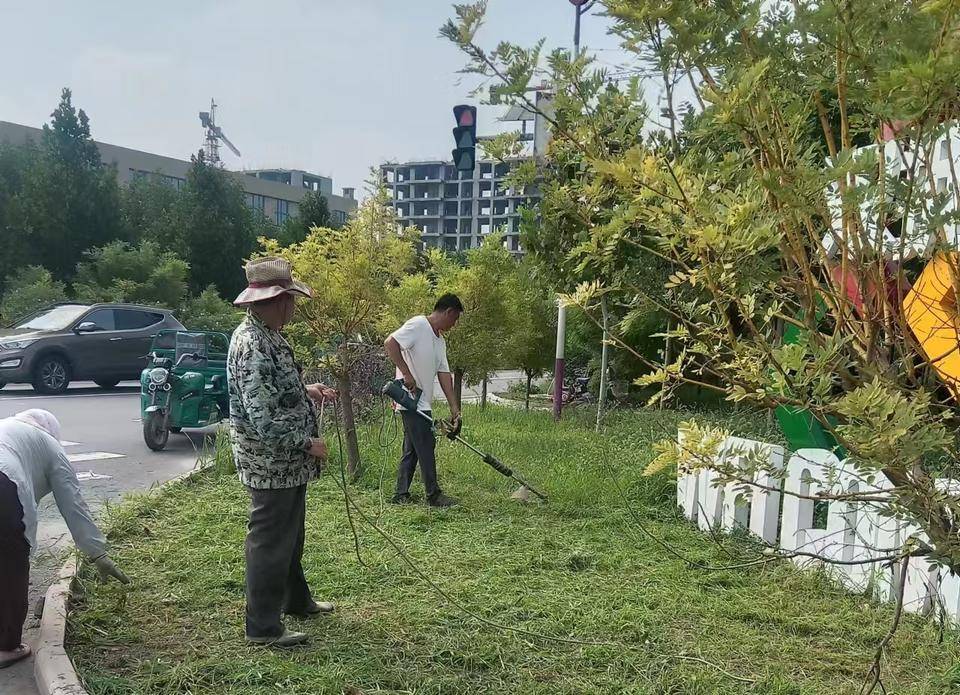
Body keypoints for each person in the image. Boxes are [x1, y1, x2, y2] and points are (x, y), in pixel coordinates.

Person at [228, 257, 337, 648]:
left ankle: (296, 599)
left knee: (290, 534)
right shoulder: (252, 343)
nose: (293, 307)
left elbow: (273, 390)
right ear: (275, 300)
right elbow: (264, 420)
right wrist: (309, 443)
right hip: (270, 463)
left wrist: (306, 391)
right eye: (290, 299)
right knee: (270, 540)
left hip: (287, 465)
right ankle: (262, 627)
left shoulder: (270, 333)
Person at [0, 409, 128, 669]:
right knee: (11, 565)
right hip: (4, 485)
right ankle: (6, 646)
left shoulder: (8, 428)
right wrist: (98, 553)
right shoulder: (50, 445)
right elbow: (73, 504)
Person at [384, 293, 464, 507]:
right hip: (410, 399)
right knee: (427, 444)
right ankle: (433, 495)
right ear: (448, 312)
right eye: (454, 319)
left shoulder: (439, 340)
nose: (454, 324)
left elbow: (444, 374)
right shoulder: (418, 325)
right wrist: (406, 374)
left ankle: (400, 494)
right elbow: (390, 343)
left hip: (422, 401)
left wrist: (454, 408)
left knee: (412, 449)